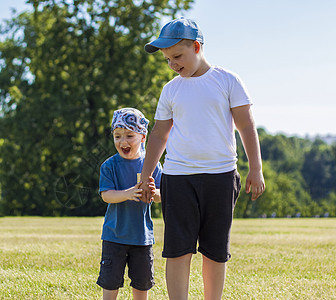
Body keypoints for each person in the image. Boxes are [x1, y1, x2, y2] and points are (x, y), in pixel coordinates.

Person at [140, 18, 265, 299]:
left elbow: (246, 125)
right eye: (167, 59)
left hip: (221, 177)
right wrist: (145, 175)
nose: (172, 64)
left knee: (215, 251)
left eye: (177, 57)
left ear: (196, 47)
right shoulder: (171, 89)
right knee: (177, 249)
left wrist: (255, 168)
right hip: (178, 178)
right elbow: (159, 135)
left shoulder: (227, 81)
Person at [97, 107, 163, 300]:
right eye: (117, 136)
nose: (122, 141)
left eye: (129, 135)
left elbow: (162, 195)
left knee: (142, 283)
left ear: (142, 137)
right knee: (110, 282)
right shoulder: (109, 165)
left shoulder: (152, 165)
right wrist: (128, 193)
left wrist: (154, 192)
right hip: (114, 236)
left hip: (142, 238)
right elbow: (106, 195)